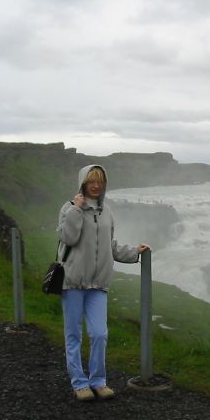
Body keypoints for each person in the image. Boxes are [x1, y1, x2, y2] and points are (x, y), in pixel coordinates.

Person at [56, 164, 149, 401]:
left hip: (98, 284)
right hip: (73, 282)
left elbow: (110, 245)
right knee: (73, 335)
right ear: (83, 183)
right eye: (91, 181)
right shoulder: (69, 207)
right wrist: (76, 210)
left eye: (100, 181)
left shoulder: (107, 211)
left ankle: (98, 381)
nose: (96, 186)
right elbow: (68, 237)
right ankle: (79, 383)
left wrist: (134, 252)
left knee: (99, 334)